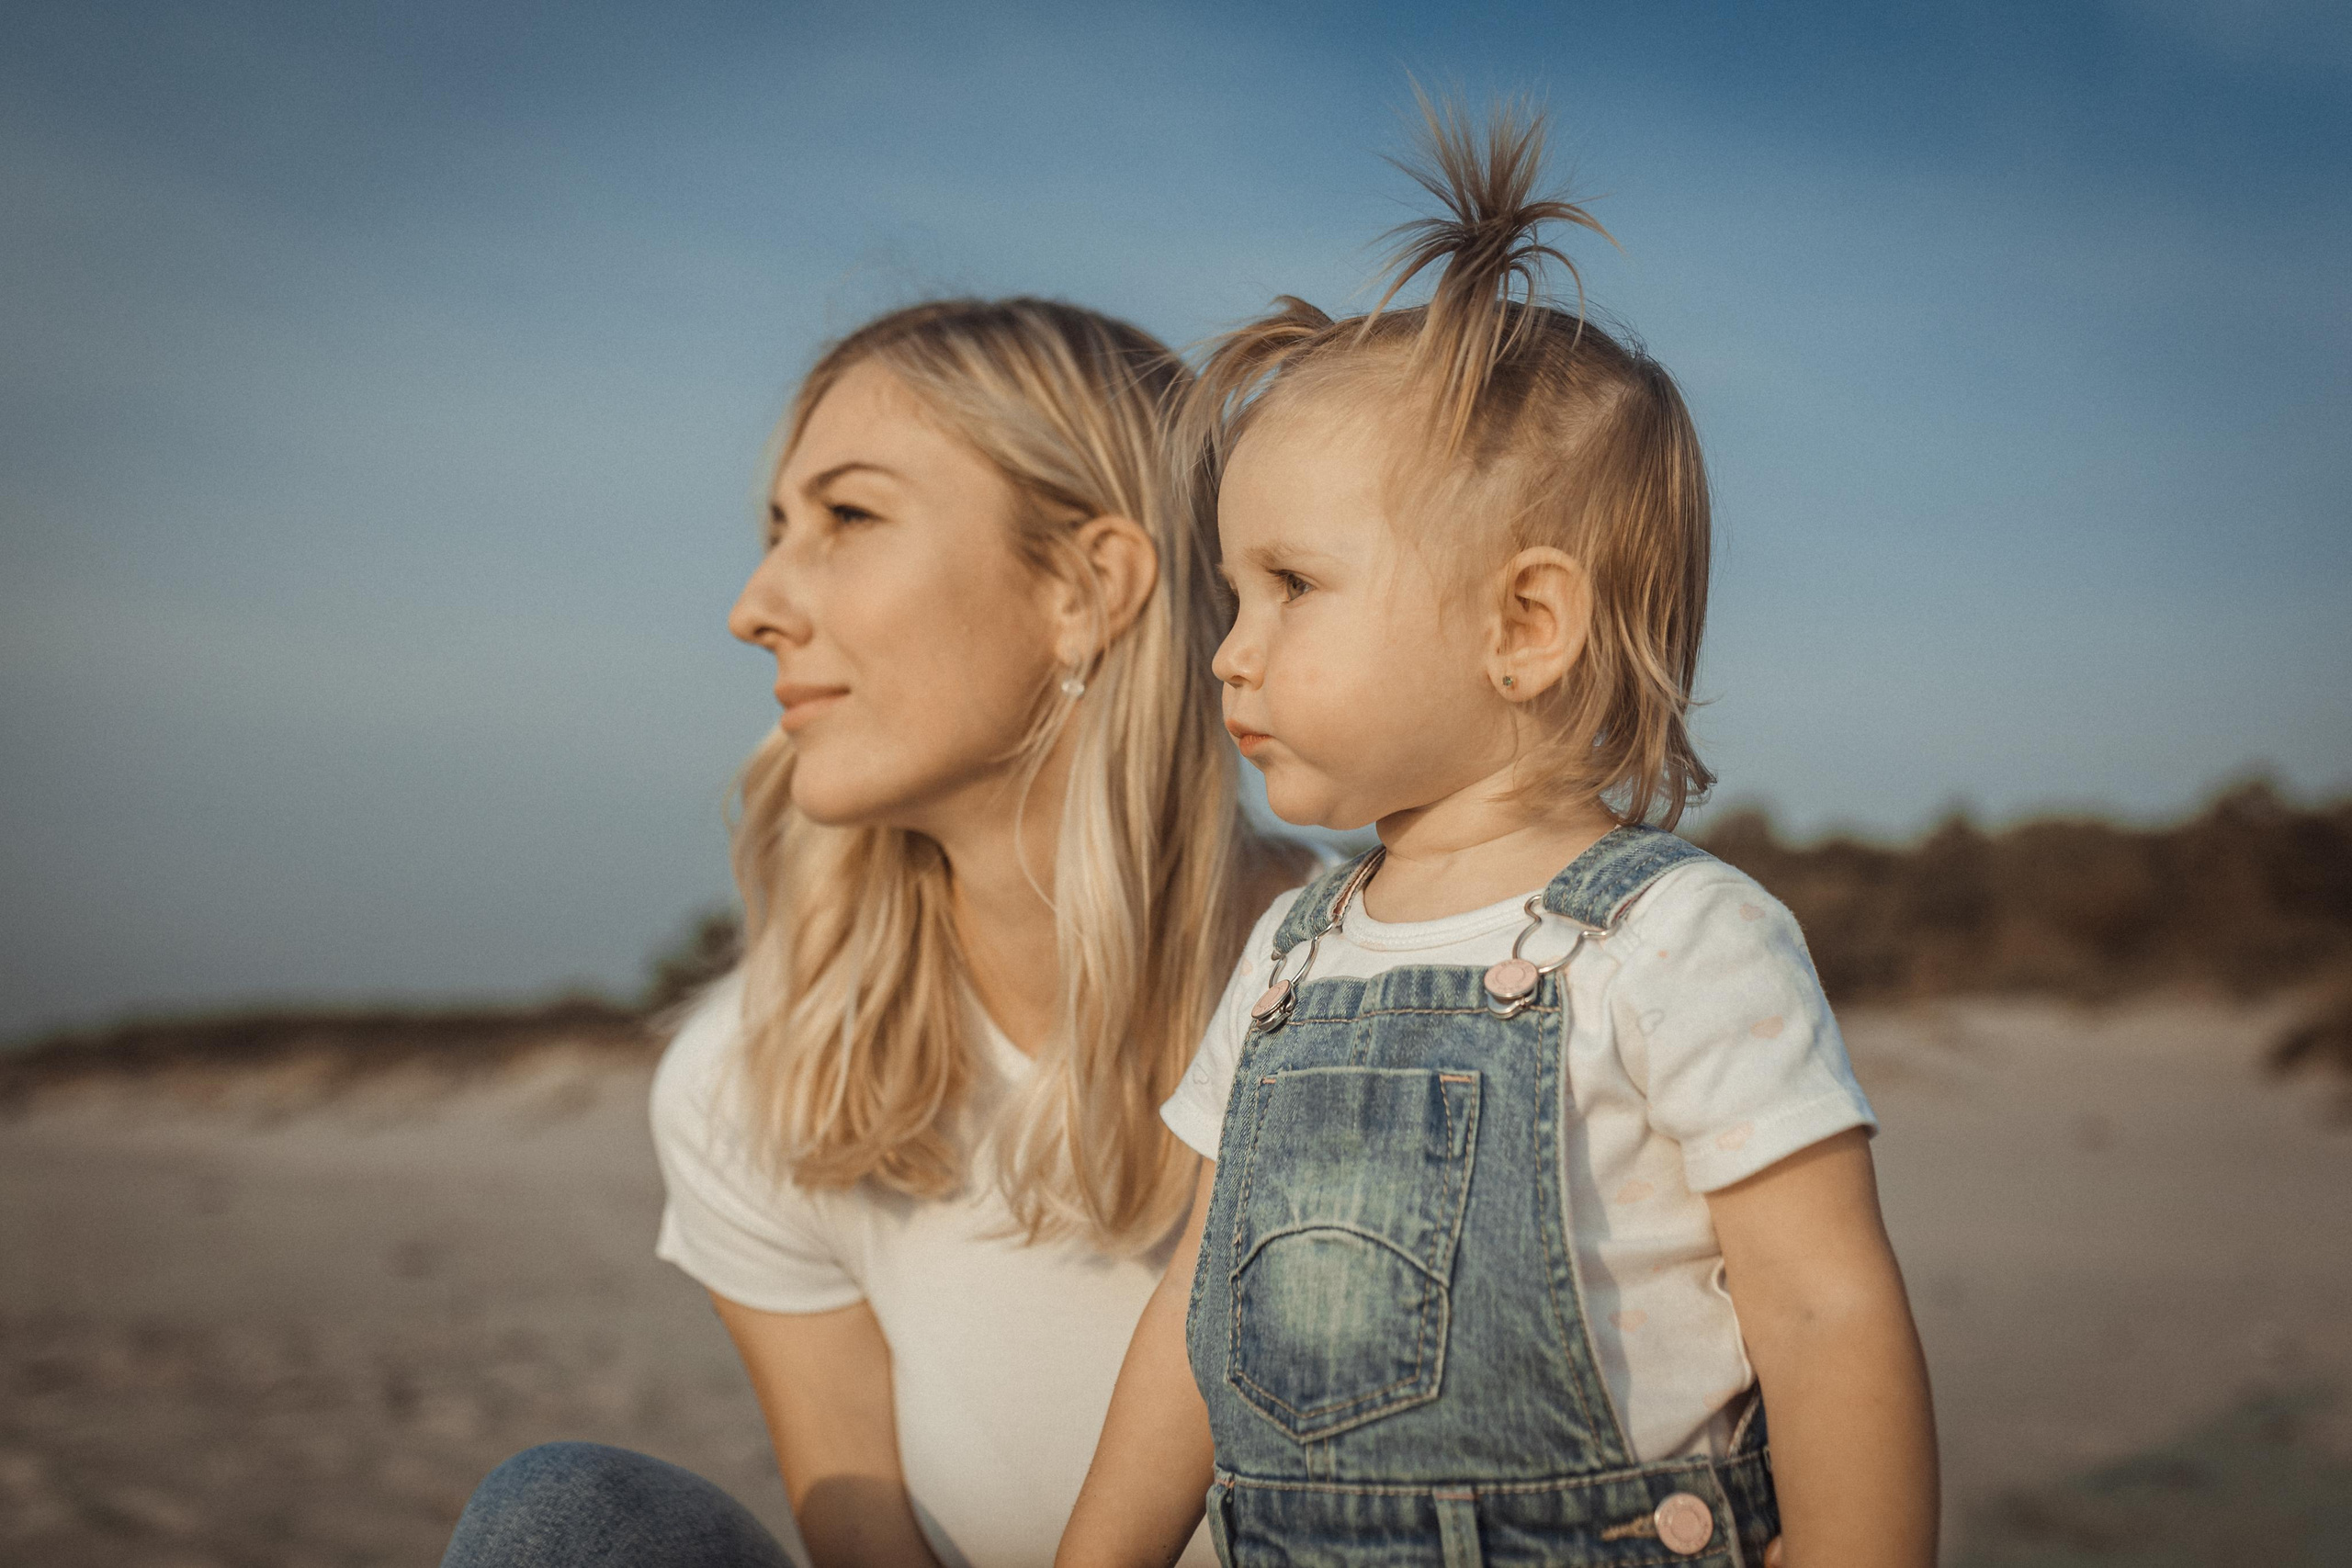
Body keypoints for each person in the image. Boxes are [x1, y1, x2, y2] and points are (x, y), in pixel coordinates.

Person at [1057, 102, 1939, 1568]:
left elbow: (1824, 1307)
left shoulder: (1677, 938)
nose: (1229, 649)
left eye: (1290, 584)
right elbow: (1194, 1306)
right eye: (1229, 593)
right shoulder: (1290, 950)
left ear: (1522, 625)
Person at [441, 298, 1308, 1568]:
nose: (755, 605)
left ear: (1086, 586)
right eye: (776, 531)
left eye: (847, 518)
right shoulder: (760, 1075)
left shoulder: (1398, 987)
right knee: (562, 1525)